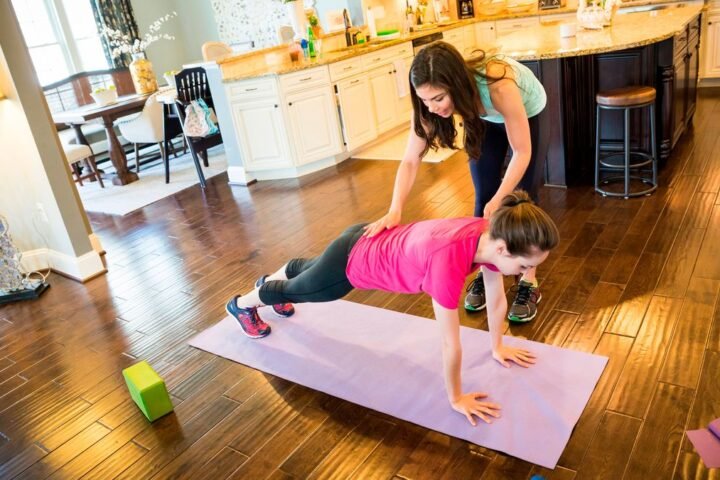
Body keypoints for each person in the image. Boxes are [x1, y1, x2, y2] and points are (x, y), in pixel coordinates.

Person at [225, 191, 559, 425]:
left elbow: (496, 296)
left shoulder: (487, 233)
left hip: (362, 236)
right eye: (524, 266)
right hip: (353, 265)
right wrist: (457, 398)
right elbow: (448, 341)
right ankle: (242, 304)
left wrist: (497, 345)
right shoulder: (448, 264)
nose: (527, 274)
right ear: (503, 250)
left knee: (309, 271)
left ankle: (275, 283)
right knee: (301, 291)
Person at [364, 41, 548, 323]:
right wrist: (395, 209)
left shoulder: (500, 86)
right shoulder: (430, 104)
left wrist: (501, 199)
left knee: (522, 196)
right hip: (480, 114)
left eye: (437, 98)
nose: (431, 107)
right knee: (483, 195)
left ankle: (528, 279)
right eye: (425, 100)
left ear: (457, 85)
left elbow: (522, 152)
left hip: (527, 109)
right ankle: (488, 270)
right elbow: (411, 159)